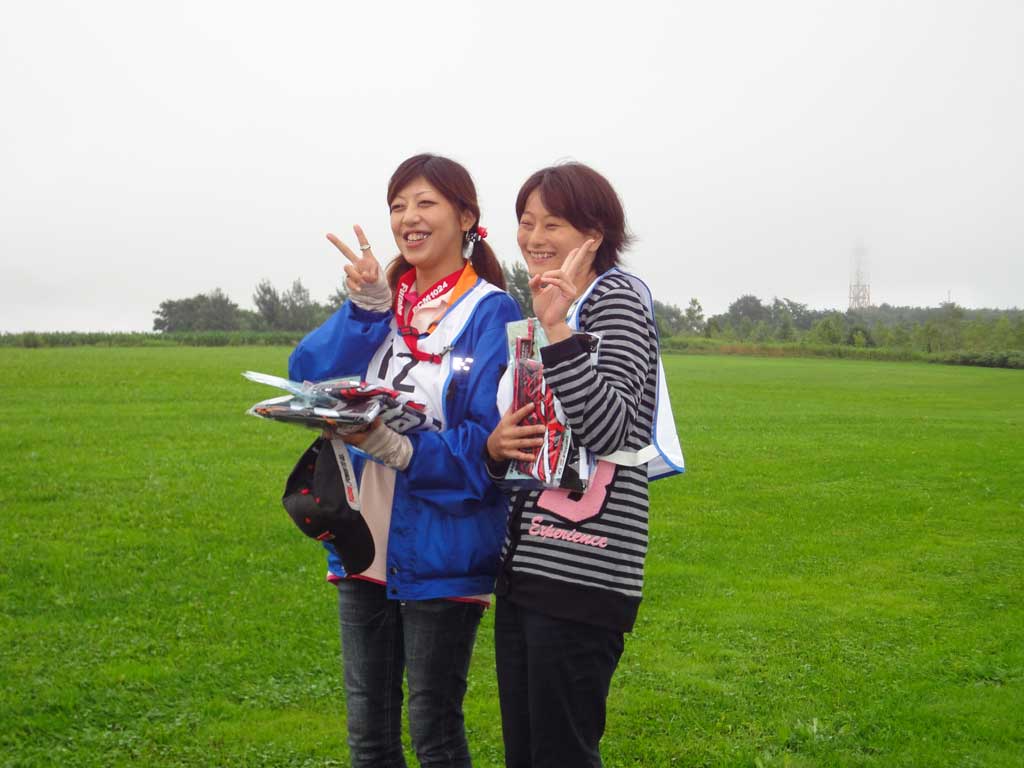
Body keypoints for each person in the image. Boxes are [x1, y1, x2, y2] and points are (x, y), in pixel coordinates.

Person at [288, 153, 521, 768]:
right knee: (368, 736)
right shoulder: (383, 303)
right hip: (362, 539)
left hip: (443, 543)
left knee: (433, 733)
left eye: (425, 203)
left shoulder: (491, 311)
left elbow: (490, 441)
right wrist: (364, 311)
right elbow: (307, 376)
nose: (408, 218)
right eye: (397, 206)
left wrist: (399, 447)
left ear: (466, 217)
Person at [485, 162, 684, 767]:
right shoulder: (553, 303)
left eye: (554, 224)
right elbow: (542, 438)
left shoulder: (615, 299)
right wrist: (497, 449)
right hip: (527, 567)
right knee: (527, 753)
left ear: (593, 235)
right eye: (526, 222)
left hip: (583, 569)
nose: (534, 237)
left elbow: (612, 427)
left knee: (562, 754)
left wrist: (556, 328)